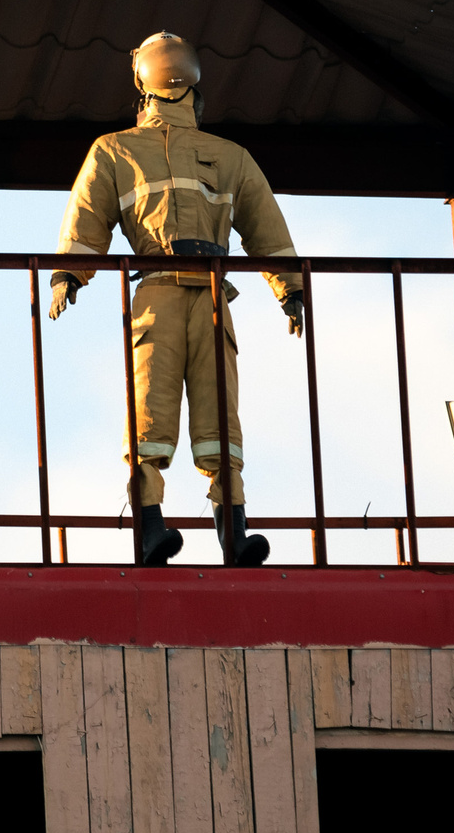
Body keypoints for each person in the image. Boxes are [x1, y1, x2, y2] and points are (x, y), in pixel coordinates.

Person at [50, 32, 304, 566]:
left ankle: (208, 535)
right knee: (174, 416)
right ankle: (174, 534)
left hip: (191, 295)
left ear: (140, 83)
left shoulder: (118, 150)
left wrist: (69, 276)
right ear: (194, 87)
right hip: (175, 292)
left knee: (197, 419)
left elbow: (85, 224)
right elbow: (270, 233)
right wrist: (291, 289)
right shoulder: (217, 154)